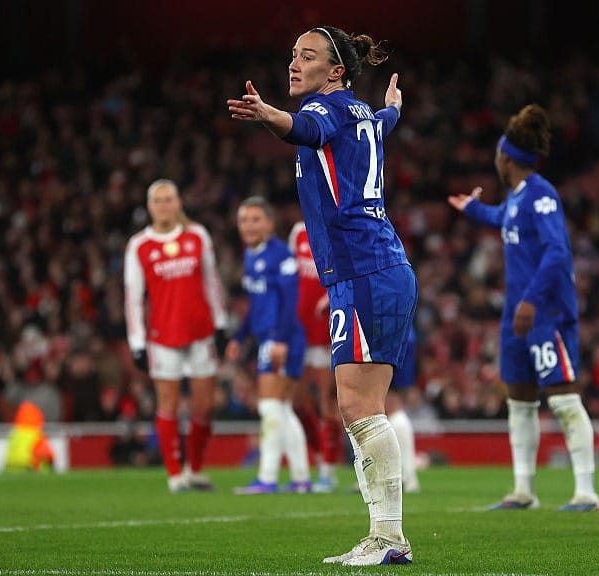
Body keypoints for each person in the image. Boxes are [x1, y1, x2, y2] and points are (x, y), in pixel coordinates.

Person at [227, 26, 416, 566]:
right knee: (356, 406)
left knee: (358, 406)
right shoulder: (364, 116)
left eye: (306, 56)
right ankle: (384, 535)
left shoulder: (326, 110)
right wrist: (394, 109)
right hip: (374, 269)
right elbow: (383, 123)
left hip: (364, 272)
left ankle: (389, 536)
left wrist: (272, 118)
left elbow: (302, 128)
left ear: (335, 72)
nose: (293, 63)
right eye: (291, 54)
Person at [448, 103, 599, 514]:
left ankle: (586, 491)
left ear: (505, 158)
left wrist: (531, 300)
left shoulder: (541, 194)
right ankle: (523, 491)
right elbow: (502, 217)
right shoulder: (517, 199)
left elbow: (557, 252)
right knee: (519, 400)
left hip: (544, 314)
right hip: (517, 315)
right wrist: (474, 209)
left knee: (564, 399)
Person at [124, 179, 228, 493]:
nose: (164, 205)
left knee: (204, 406)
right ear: (150, 207)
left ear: (179, 202)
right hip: (162, 337)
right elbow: (133, 297)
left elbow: (212, 282)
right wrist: (137, 342)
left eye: (169, 199)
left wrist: (220, 322)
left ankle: (194, 469)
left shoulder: (197, 236)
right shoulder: (139, 245)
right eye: (158, 200)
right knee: (167, 404)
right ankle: (174, 475)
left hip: (200, 333)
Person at [228, 197, 311, 494]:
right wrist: (239, 337)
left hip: (282, 337)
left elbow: (292, 302)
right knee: (282, 409)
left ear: (269, 223)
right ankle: (300, 479)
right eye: (243, 220)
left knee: (270, 406)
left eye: (255, 219)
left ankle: (268, 477)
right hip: (269, 337)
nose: (248, 226)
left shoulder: (280, 255)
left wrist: (279, 339)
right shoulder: (251, 256)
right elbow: (255, 305)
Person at [288, 221, 346, 493]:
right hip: (300, 330)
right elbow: (292, 278)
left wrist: (328, 300)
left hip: (326, 330)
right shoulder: (299, 231)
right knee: (297, 402)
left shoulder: (341, 227)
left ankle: (328, 471)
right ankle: (321, 455)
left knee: (327, 401)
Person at [387, 325, 421, 494]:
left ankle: (405, 476)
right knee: (392, 404)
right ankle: (405, 475)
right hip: (402, 326)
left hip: (385, 329)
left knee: (390, 404)